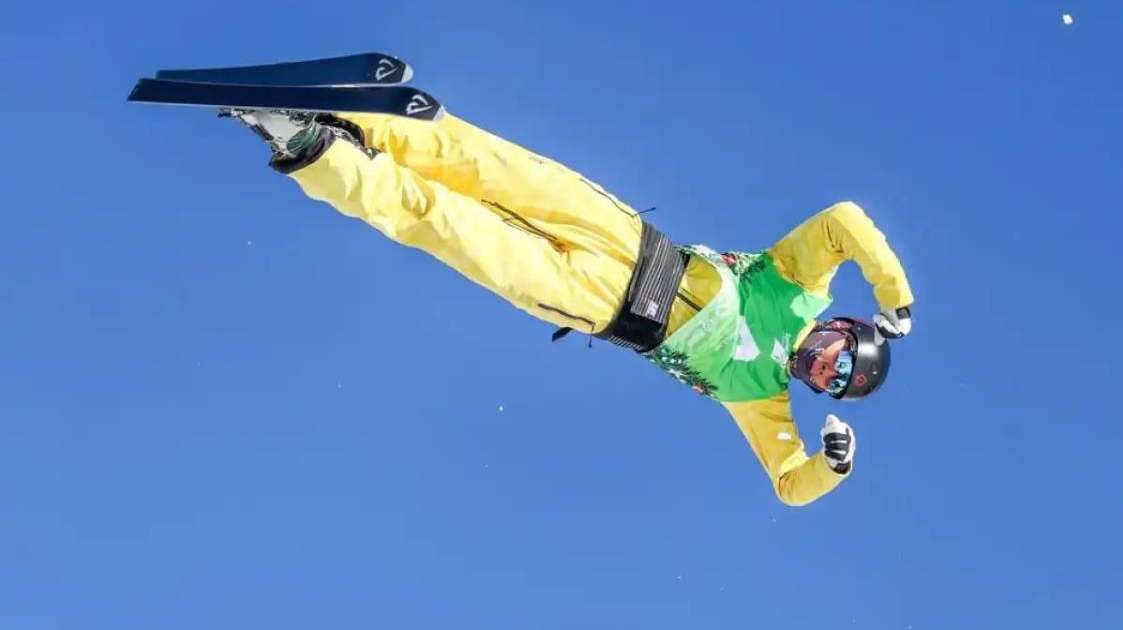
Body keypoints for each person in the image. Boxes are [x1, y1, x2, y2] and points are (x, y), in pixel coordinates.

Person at [225, 107, 915, 506]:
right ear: (843, 327)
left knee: (455, 230)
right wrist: (896, 295)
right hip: (632, 242)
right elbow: (844, 220)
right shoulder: (799, 285)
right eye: (840, 357)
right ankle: (363, 119)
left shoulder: (761, 398)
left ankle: (314, 150)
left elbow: (790, 485)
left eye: (833, 384)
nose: (825, 370)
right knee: (493, 169)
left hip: (600, 305)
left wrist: (834, 465)